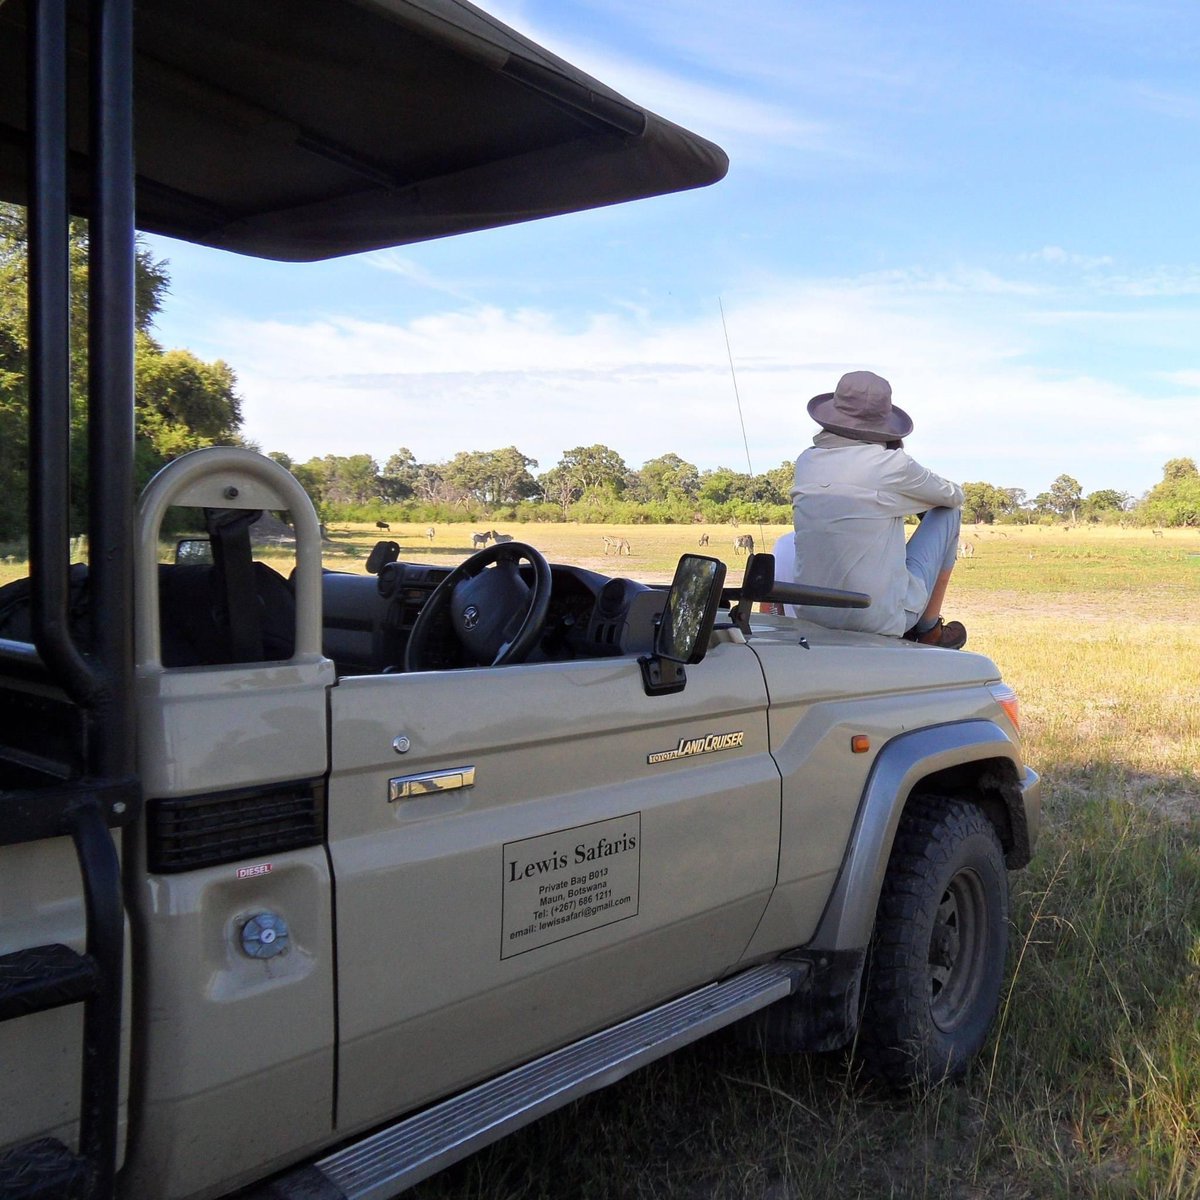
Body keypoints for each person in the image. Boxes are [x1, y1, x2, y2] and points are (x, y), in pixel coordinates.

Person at [788, 370, 966, 648]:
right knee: (949, 513)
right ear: (885, 424)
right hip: (877, 619)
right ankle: (929, 628)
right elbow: (954, 496)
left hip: (814, 613)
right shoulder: (893, 465)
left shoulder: (806, 462)